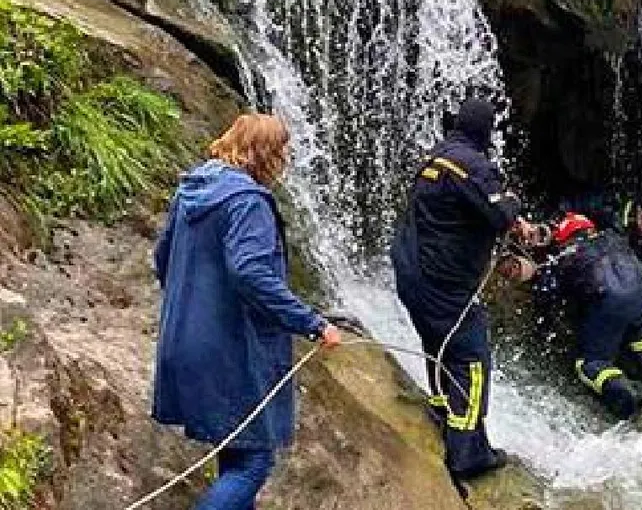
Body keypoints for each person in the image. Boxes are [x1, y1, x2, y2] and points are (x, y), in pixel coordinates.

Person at [152, 113, 342, 510]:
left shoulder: (192, 190)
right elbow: (251, 273)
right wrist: (312, 323)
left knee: (235, 453)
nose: (286, 160)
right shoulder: (247, 202)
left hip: (184, 341)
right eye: (282, 152)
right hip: (228, 353)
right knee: (253, 463)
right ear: (266, 154)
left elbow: (162, 258)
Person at [389, 97, 536, 482]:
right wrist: (514, 203)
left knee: (438, 342)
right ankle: (468, 452)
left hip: (411, 272)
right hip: (443, 282)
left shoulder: (436, 156)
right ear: (484, 131)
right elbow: (500, 213)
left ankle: (442, 410)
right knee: (472, 357)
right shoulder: (473, 165)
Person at [509, 212, 642, 419]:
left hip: (609, 306)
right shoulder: (616, 238)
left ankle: (626, 401)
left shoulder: (564, 257)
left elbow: (547, 293)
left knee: (591, 365)